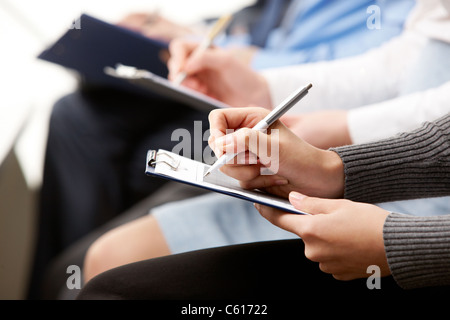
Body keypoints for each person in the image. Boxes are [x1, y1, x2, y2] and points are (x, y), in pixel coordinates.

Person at [29, 0, 413, 299]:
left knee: (98, 269)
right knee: (77, 114)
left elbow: (395, 65)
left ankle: (68, 271)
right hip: (278, 97)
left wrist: (262, 73)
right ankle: (62, 273)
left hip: (344, 134)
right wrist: (198, 38)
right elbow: (267, 26)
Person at [77, 109, 450, 300]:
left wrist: (399, 242)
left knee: (115, 289)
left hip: (423, 251)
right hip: (404, 221)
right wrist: (333, 169)